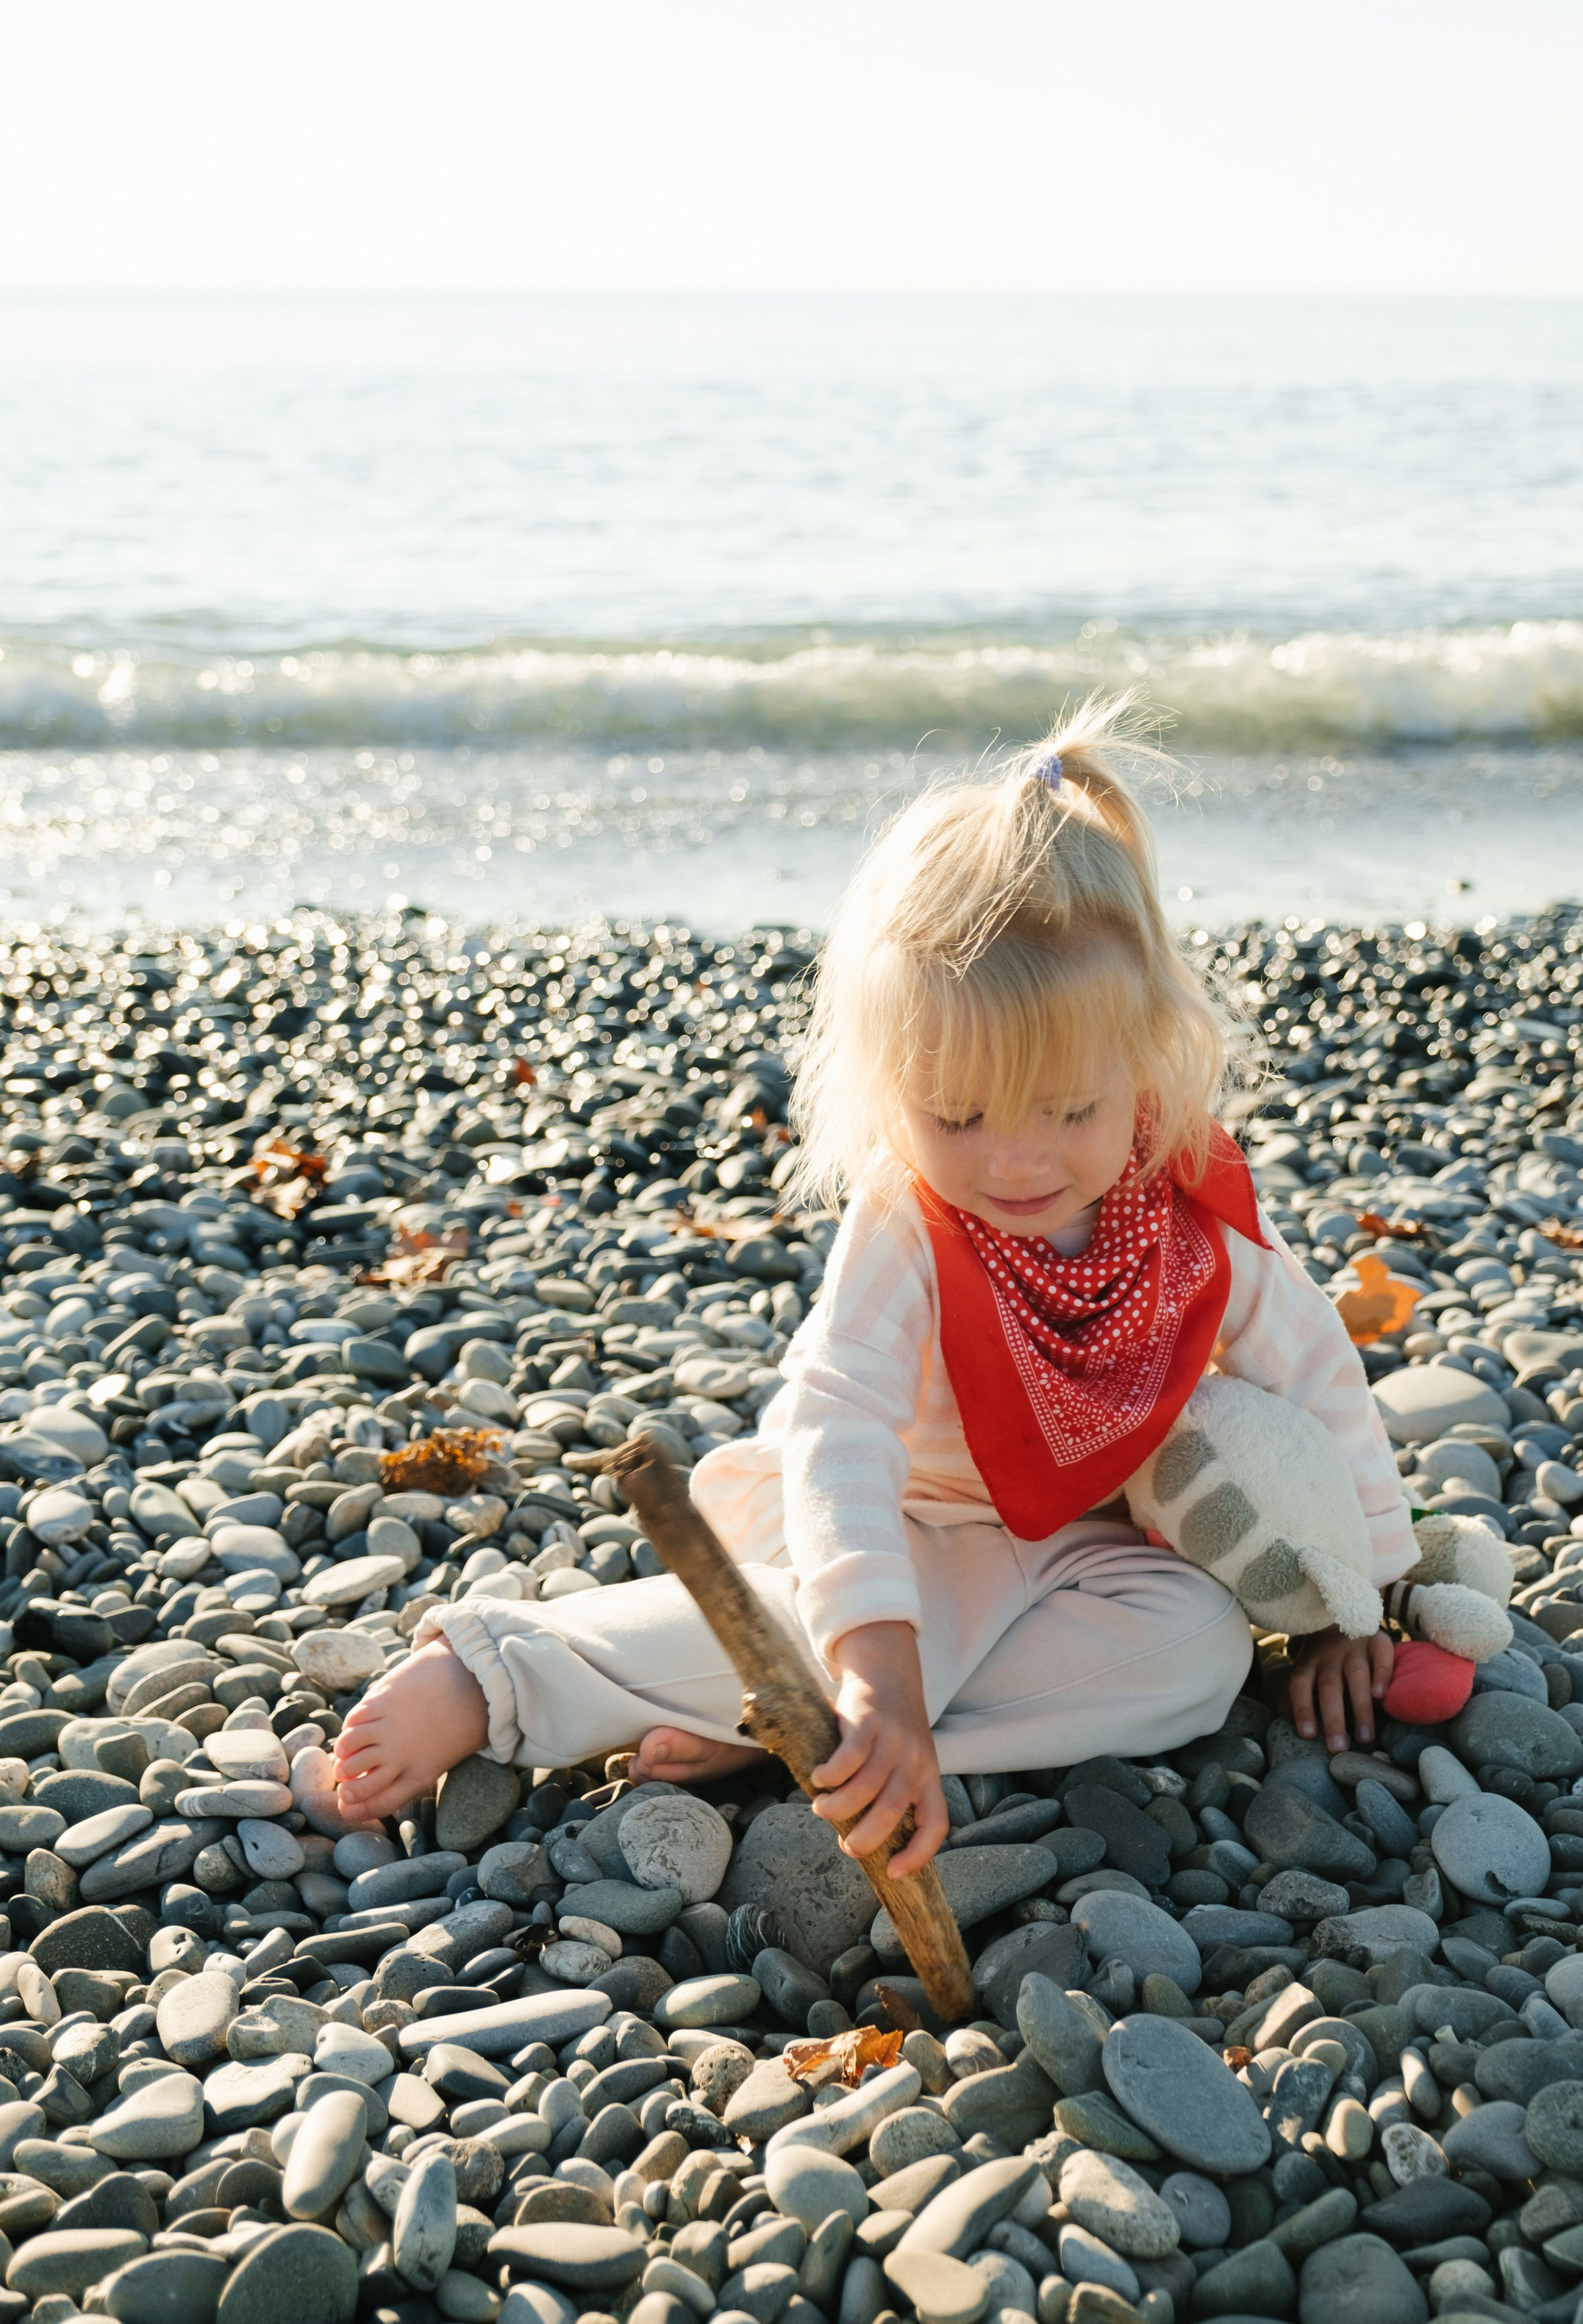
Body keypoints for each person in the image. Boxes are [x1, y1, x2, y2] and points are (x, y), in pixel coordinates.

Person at [333, 704, 1416, 1873]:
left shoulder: (1184, 1200)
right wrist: (879, 1666)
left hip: (1093, 1536)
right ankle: (502, 1671)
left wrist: (1369, 1594)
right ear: (891, 1083)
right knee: (849, 1637)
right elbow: (842, 1423)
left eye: (1068, 1111)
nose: (1017, 1162)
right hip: (913, 1522)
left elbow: (1315, 1370)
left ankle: (820, 1742)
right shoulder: (913, 1222)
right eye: (958, 1115)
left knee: (1197, 1661)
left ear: (1145, 1062)